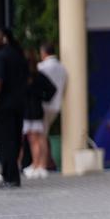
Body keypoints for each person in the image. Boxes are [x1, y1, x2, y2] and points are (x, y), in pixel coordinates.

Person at [0, 28, 27, 189]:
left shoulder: (0, 57)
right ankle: (13, 176)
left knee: (4, 143)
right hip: (19, 104)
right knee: (14, 141)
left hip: (3, 107)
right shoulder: (17, 55)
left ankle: (10, 176)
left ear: (1, 39)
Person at [21, 52, 56, 180]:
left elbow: (51, 90)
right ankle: (39, 165)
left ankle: (38, 165)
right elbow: (52, 89)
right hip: (35, 110)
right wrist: (43, 97)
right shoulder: (38, 76)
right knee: (38, 138)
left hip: (30, 112)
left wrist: (42, 97)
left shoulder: (26, 77)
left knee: (34, 139)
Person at [37, 42, 67, 172]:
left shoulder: (41, 67)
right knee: (45, 134)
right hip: (56, 105)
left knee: (40, 136)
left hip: (43, 105)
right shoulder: (62, 68)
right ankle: (49, 162)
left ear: (43, 53)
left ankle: (42, 165)